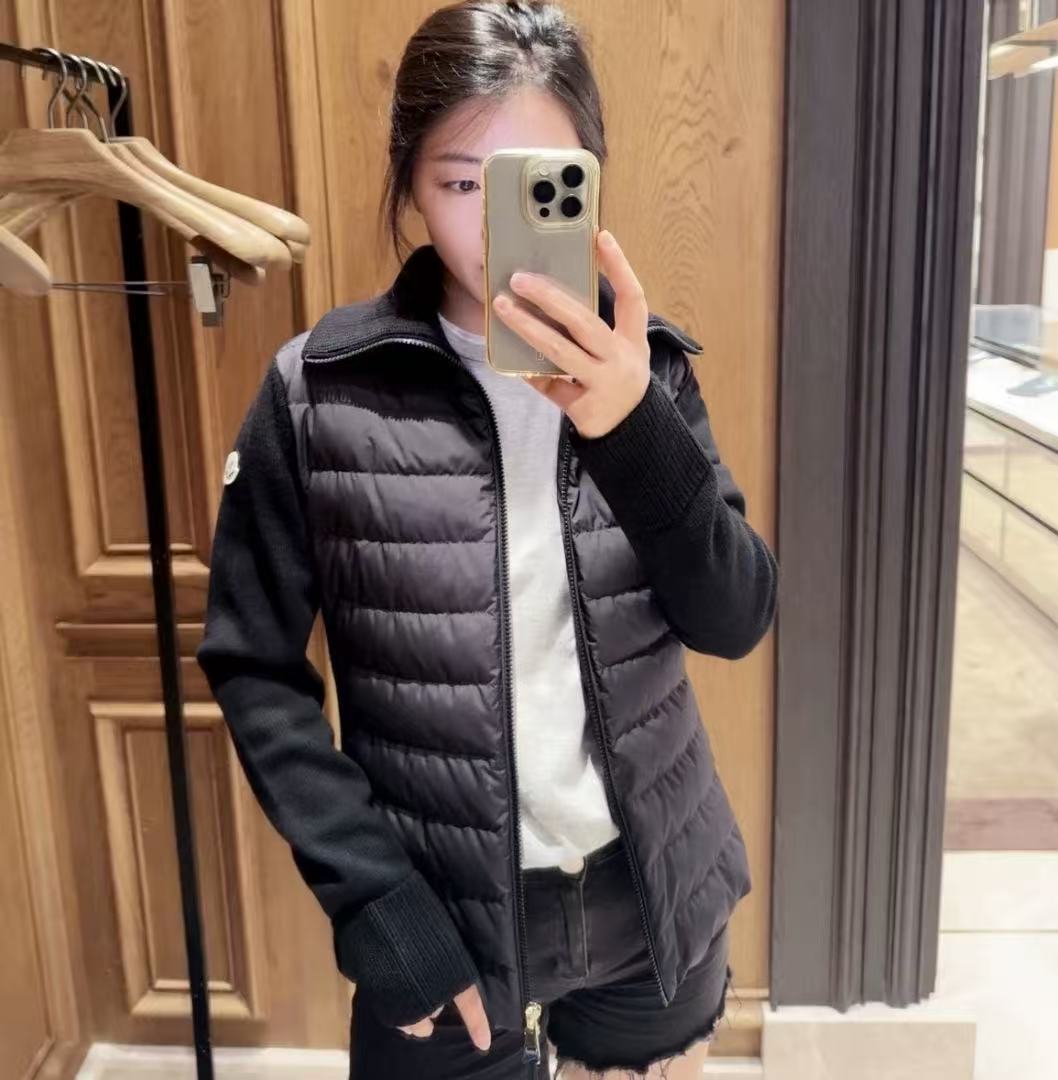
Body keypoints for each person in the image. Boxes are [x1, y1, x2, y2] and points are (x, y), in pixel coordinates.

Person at [196, 2, 778, 1077]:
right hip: (444, 925)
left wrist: (633, 428)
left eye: (540, 184)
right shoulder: (318, 395)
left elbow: (736, 619)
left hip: (654, 906)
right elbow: (253, 664)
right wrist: (375, 901)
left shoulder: (650, 374)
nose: (497, 226)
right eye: (464, 184)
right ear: (410, 189)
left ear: (590, 182)